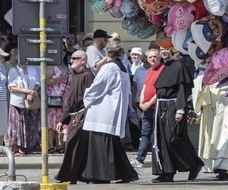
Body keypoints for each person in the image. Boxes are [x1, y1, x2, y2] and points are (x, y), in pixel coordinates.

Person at [81, 41, 138, 183]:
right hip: (113, 111)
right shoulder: (122, 68)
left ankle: (103, 175)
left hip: (103, 112)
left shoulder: (109, 68)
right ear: (121, 54)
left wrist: (86, 97)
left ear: (107, 54)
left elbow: (98, 87)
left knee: (102, 145)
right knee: (112, 145)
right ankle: (124, 173)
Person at [151, 48, 204, 183]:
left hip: (173, 106)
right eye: (161, 49)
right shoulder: (165, 66)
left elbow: (182, 90)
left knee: (172, 139)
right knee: (161, 141)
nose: (164, 51)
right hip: (161, 107)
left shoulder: (179, 66)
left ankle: (193, 164)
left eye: (166, 48)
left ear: (174, 49)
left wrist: (180, 109)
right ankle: (167, 173)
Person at [55, 50, 95, 184]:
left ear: (83, 60)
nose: (71, 60)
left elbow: (90, 98)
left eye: (74, 58)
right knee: (74, 145)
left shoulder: (87, 75)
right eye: (71, 58)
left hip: (83, 114)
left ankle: (69, 176)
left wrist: (86, 115)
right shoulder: (75, 74)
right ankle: (76, 174)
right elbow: (71, 99)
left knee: (73, 144)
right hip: (75, 114)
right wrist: (63, 119)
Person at [130, 48, 163, 168]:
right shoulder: (148, 71)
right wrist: (141, 102)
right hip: (146, 108)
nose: (153, 59)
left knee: (159, 135)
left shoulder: (163, 70)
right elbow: (144, 87)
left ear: (159, 58)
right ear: (147, 59)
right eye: (150, 57)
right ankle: (139, 159)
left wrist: (149, 103)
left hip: (157, 107)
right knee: (145, 135)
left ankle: (159, 160)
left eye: (155, 56)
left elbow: (161, 90)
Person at [6, 47, 41, 155]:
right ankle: (16, 147)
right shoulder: (13, 71)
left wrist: (32, 93)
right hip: (17, 102)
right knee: (17, 125)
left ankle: (27, 147)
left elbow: (37, 84)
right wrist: (28, 92)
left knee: (30, 124)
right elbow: (12, 87)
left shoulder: (32, 70)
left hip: (30, 102)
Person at [46, 64, 71, 154]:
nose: (63, 52)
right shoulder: (51, 66)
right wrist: (59, 79)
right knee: (51, 124)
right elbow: (46, 82)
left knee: (61, 123)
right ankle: (50, 146)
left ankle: (59, 145)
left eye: (64, 49)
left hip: (64, 99)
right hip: (53, 98)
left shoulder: (68, 67)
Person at [0, 48, 8, 146]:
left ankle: (1, 147)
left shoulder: (3, 68)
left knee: (2, 126)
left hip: (3, 99)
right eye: (1, 56)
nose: (3, 58)